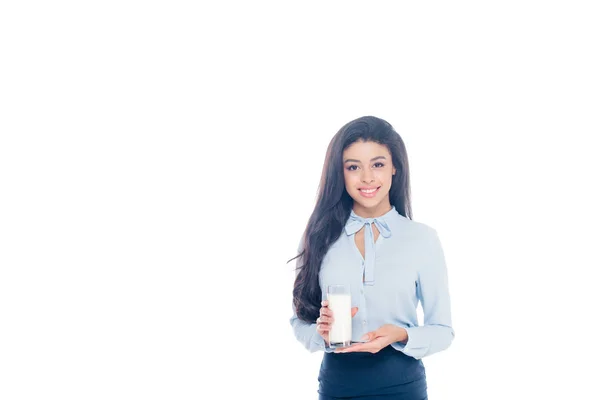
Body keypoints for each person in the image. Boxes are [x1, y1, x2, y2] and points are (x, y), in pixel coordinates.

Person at [289, 116, 455, 399]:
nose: (367, 178)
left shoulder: (422, 239)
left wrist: (401, 335)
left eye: (377, 164)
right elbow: (298, 322)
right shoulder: (318, 237)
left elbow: (443, 331)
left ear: (394, 168)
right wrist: (322, 335)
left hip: (402, 386)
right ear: (339, 173)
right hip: (337, 386)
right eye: (353, 167)